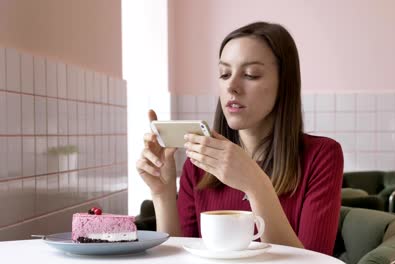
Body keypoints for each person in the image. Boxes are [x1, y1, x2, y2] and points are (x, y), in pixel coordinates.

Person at [136, 21, 343, 255]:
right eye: (224, 74)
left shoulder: (322, 156)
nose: (232, 86)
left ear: (284, 84)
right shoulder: (199, 165)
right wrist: (162, 193)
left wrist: (256, 184)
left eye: (250, 75)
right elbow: (181, 256)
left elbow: (313, 261)